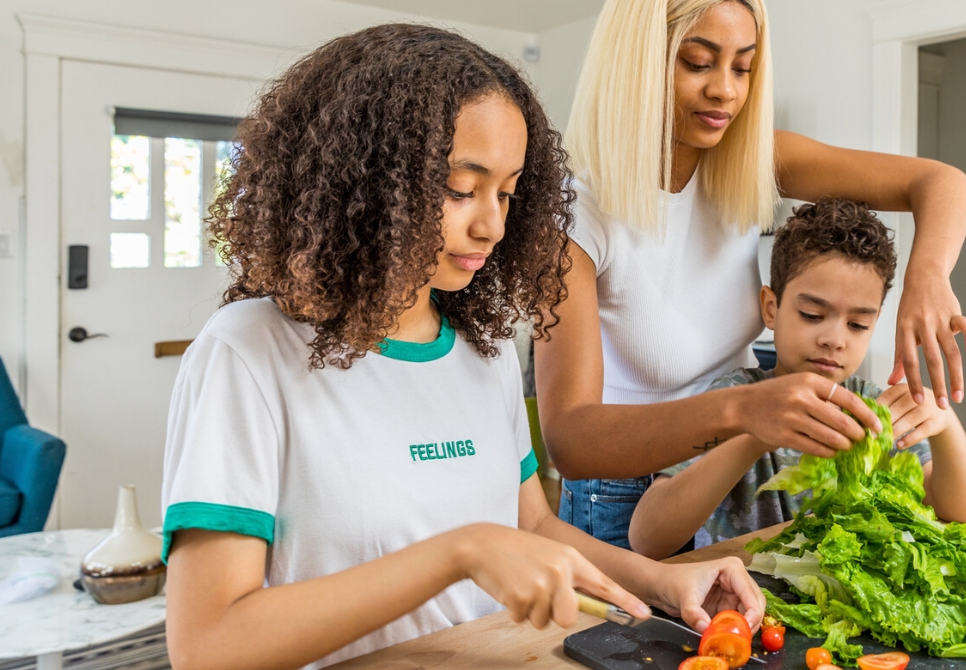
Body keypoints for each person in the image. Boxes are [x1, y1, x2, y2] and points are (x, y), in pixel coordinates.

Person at [160, 25, 762, 670]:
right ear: (364, 181)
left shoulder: (485, 347)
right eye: (458, 189)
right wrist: (460, 551)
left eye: (507, 192)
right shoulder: (248, 353)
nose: (492, 225)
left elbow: (530, 527)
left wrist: (658, 581)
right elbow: (207, 646)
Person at [536, 0, 966, 549]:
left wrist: (928, 276)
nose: (725, 90)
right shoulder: (574, 214)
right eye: (698, 63)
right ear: (637, 63)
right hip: (627, 497)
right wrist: (743, 414)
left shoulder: (747, 157)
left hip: (741, 467)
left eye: (742, 67)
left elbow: (941, 182)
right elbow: (570, 441)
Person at [628, 199, 966, 559]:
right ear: (771, 308)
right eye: (812, 315)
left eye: (858, 325)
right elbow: (648, 538)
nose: (834, 339)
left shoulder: (872, 409)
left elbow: (960, 511)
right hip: (741, 603)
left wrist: (945, 425)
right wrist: (753, 435)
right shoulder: (734, 399)